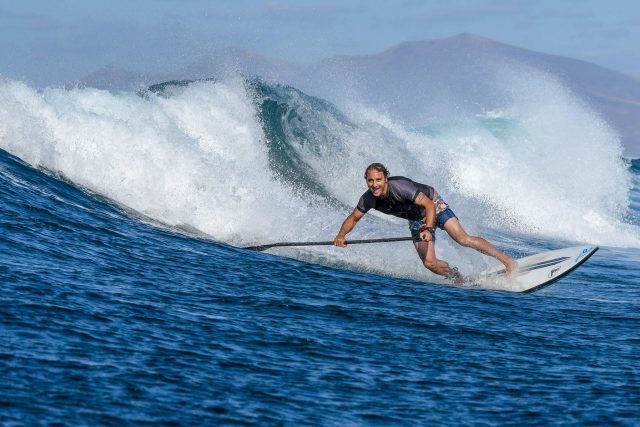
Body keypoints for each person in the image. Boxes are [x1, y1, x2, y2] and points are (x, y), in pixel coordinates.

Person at [333, 163, 518, 282]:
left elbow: (429, 205)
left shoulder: (401, 188)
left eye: (378, 180)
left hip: (434, 205)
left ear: (386, 179)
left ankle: (508, 262)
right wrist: (341, 236)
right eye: (370, 181)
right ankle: (458, 278)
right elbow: (353, 218)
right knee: (429, 263)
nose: (374, 185)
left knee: (462, 239)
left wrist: (429, 228)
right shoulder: (368, 199)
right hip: (415, 218)